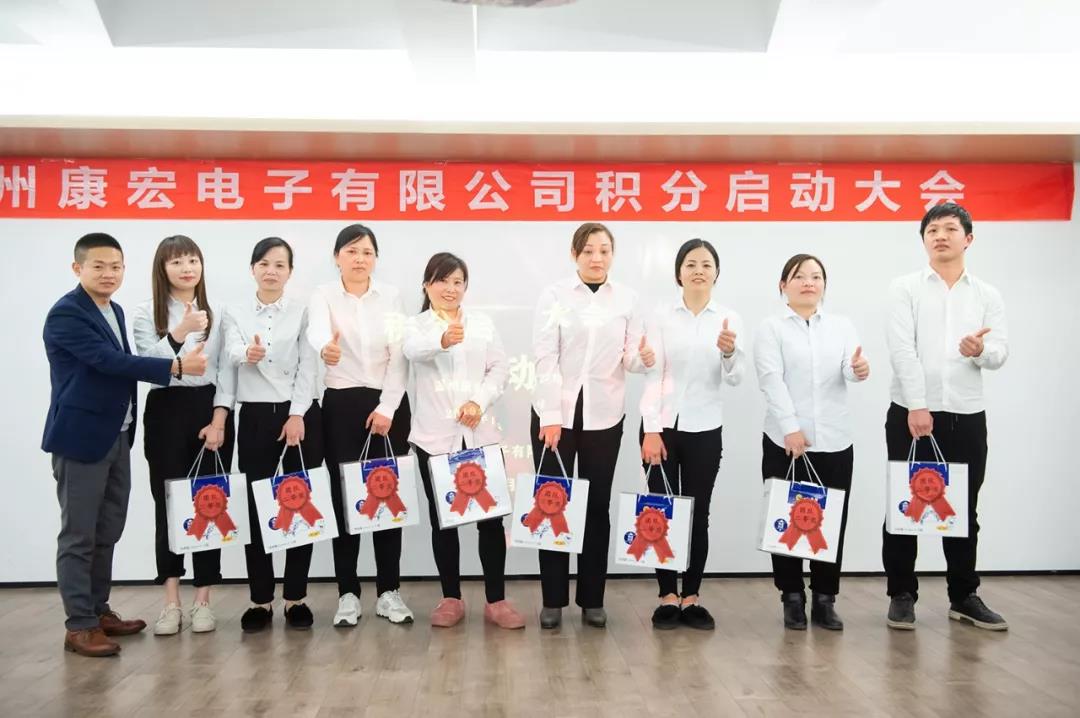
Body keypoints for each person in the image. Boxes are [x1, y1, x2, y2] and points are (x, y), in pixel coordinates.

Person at [44, 232, 208, 657]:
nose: (109, 273)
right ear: (78, 268)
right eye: (98, 266)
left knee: (108, 529)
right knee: (79, 534)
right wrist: (175, 365)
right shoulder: (67, 313)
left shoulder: (112, 309)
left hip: (118, 433)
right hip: (82, 438)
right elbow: (109, 362)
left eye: (115, 266)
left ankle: (98, 611)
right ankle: (79, 625)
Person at [882, 202, 1009, 631]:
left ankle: (964, 595)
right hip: (911, 412)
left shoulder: (987, 294)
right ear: (923, 240)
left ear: (968, 239)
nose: (940, 235)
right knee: (905, 505)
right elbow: (902, 349)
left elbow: (1000, 352)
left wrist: (982, 351)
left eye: (950, 228)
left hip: (966, 413)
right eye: (932, 229)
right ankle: (902, 594)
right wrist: (917, 405)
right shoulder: (905, 288)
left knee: (963, 508)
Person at [530, 222, 648, 629]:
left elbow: (630, 358)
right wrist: (550, 415)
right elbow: (545, 356)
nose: (597, 258)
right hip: (556, 416)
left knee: (597, 506)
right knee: (551, 503)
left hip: (605, 414)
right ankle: (552, 599)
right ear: (574, 255)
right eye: (588, 251)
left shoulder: (628, 298)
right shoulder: (555, 295)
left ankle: (592, 599)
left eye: (604, 250)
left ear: (612, 254)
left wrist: (644, 359)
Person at [404, 252, 525, 629]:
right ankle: (451, 598)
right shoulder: (416, 326)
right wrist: (442, 339)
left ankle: (496, 600)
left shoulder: (482, 324)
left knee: (491, 522)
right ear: (427, 285)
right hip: (435, 439)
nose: (450, 288)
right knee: (444, 522)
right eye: (442, 280)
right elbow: (413, 351)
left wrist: (479, 401)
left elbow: (499, 367)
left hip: (479, 435)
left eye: (458, 282)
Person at [754, 253, 869, 630]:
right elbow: (771, 379)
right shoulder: (771, 328)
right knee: (786, 518)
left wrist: (858, 370)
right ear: (783, 285)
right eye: (799, 276)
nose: (808, 282)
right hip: (784, 440)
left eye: (816, 276)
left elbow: (849, 369)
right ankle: (791, 596)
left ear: (824, 285)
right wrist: (790, 427)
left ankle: (824, 598)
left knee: (830, 521)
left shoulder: (841, 325)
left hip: (834, 439)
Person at [308, 224, 414, 626]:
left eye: (367, 252)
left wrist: (387, 407)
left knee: (388, 500)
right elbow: (318, 332)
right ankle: (348, 593)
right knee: (344, 500)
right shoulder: (323, 294)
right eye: (351, 251)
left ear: (375, 259)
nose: (359, 259)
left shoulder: (391, 296)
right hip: (341, 404)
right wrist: (326, 348)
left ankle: (389, 592)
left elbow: (399, 355)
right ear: (337, 257)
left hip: (388, 404)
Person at [132, 235, 236, 636]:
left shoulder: (219, 310)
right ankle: (171, 601)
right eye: (176, 262)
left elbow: (227, 370)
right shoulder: (147, 312)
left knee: (210, 502)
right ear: (163, 269)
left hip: (208, 409)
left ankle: (203, 599)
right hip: (166, 410)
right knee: (169, 502)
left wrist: (219, 419)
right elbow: (146, 364)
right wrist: (180, 332)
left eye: (192, 260)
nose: (186, 268)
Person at [638, 239, 745, 630]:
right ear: (678, 273)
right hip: (662, 428)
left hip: (705, 428)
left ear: (716, 273)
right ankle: (667, 595)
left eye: (706, 264)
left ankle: (692, 596)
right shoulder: (661, 315)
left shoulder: (728, 318)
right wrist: (652, 430)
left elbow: (735, 379)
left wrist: (729, 353)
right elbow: (652, 373)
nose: (699, 270)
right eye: (691, 264)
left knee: (699, 513)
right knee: (660, 512)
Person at [222, 237, 324, 632]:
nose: (271, 271)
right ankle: (260, 599)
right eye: (264, 263)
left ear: (290, 272)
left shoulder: (302, 312)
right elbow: (230, 353)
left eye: (280, 265)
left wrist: (297, 414)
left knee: (300, 504)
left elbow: (308, 367)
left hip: (299, 415)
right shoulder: (234, 311)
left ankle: (295, 597)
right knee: (256, 506)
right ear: (252, 268)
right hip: (254, 415)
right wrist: (245, 354)